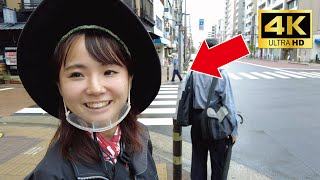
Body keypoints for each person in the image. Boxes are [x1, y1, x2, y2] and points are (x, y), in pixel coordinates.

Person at [17, 0, 161, 179]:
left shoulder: (141, 137)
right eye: (76, 74)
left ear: (129, 79)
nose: (95, 89)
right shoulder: (51, 174)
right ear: (59, 86)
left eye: (109, 71)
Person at [188, 38, 238, 180]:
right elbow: (229, 103)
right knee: (218, 163)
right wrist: (234, 129)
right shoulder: (221, 73)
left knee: (198, 160)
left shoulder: (194, 71)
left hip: (198, 120)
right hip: (216, 122)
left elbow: (187, 95)